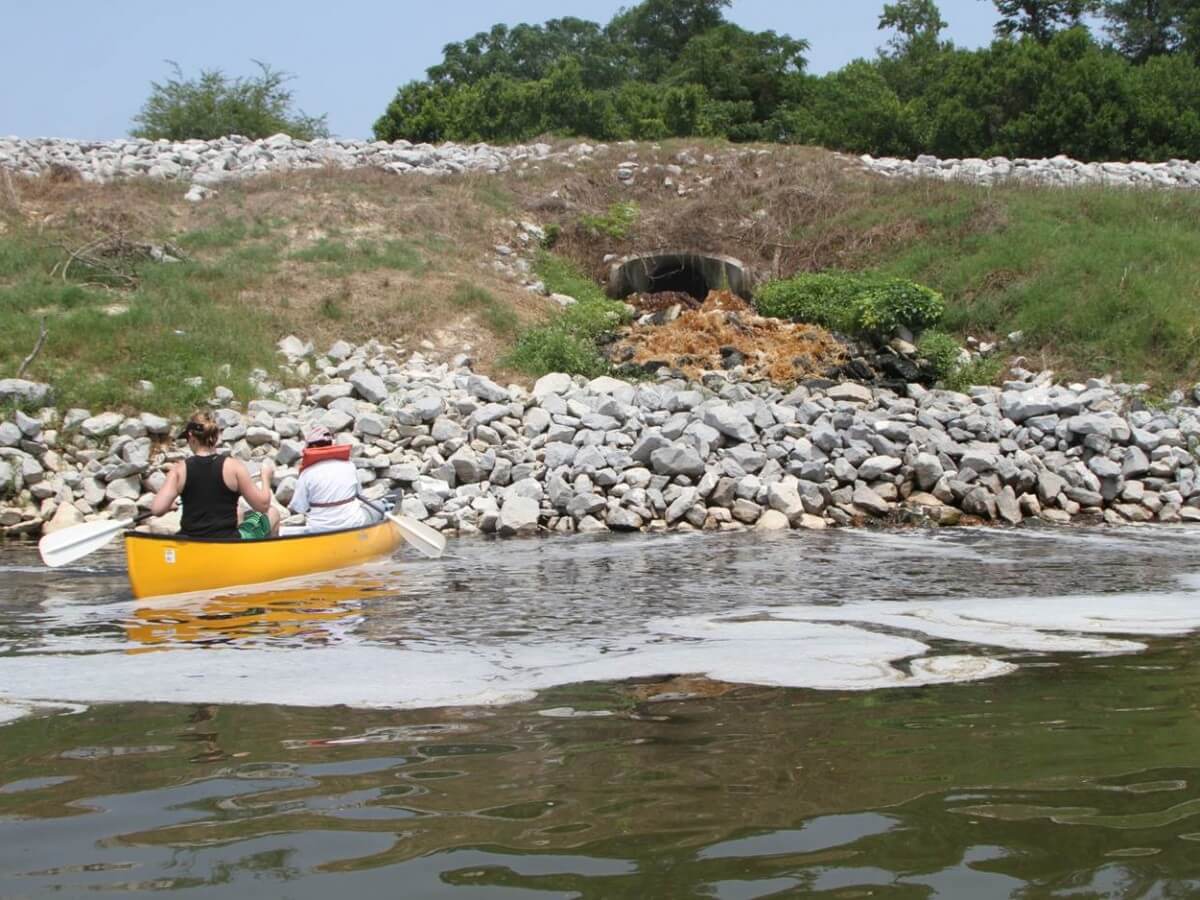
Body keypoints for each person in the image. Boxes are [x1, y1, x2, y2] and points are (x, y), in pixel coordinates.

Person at [150, 412, 280, 540]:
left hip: (191, 543)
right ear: (216, 436)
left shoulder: (178, 470)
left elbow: (157, 509)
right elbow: (262, 505)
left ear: (191, 436)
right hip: (227, 544)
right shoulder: (234, 467)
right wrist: (265, 478)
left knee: (239, 512)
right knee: (272, 513)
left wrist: (170, 503)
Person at [289, 425, 378, 532]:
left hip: (319, 529)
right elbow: (359, 493)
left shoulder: (306, 474)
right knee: (380, 505)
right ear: (331, 444)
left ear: (311, 447)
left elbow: (299, 507)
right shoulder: (349, 465)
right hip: (353, 523)